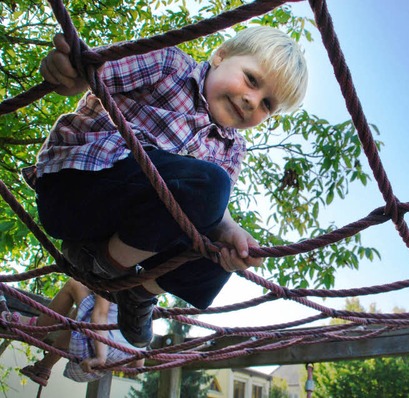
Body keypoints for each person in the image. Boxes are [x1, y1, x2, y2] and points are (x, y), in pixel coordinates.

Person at [25, 26, 308, 347]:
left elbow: (208, 208)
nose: (251, 100)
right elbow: (99, 71)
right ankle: (103, 265)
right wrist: (75, 73)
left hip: (123, 236)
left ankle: (139, 295)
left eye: (267, 104)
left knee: (224, 250)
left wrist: (230, 233)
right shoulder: (170, 66)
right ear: (221, 56)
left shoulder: (233, 149)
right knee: (209, 185)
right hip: (80, 189)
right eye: (251, 80)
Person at [0, 279, 144, 386]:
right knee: (80, 314)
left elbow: (100, 314)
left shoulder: (114, 272)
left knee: (73, 285)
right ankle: (45, 366)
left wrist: (101, 357)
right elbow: (141, 346)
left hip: (105, 348)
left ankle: (37, 328)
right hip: (128, 353)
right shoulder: (145, 284)